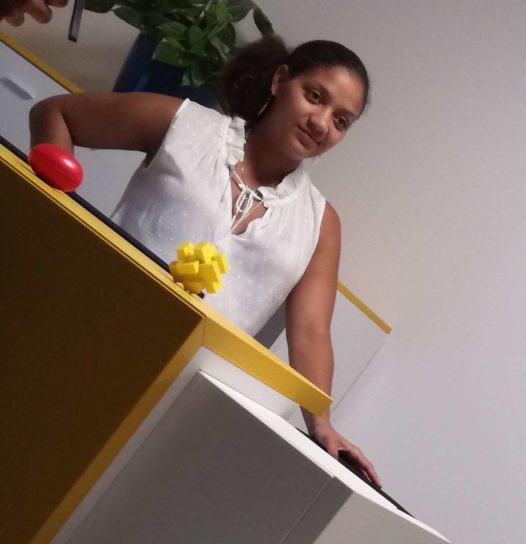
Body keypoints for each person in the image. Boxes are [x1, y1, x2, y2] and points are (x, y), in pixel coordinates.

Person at [28, 37, 378, 483]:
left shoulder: (320, 223)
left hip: (170, 398)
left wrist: (321, 422)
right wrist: (50, 211)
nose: (321, 123)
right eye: (314, 96)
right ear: (280, 81)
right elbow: (56, 113)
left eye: (341, 121)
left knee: (65, 491)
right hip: (78, 330)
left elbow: (310, 332)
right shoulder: (184, 124)